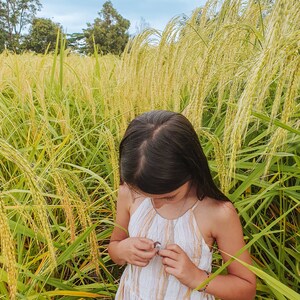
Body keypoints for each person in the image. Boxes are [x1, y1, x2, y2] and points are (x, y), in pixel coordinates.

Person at [108, 110, 256, 300]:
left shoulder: (217, 213)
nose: (156, 204)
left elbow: (246, 289)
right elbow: (114, 246)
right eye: (146, 195)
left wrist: (196, 277)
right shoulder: (129, 193)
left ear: (192, 169)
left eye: (168, 197)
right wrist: (122, 250)